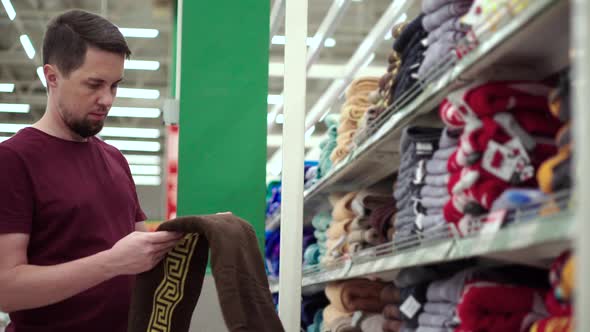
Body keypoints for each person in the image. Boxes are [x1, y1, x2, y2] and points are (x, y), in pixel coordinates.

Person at [0, 9, 182, 332]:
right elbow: (6, 288)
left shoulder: (115, 161)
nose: (107, 99)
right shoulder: (14, 160)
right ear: (51, 77)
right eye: (94, 84)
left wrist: (197, 235)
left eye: (115, 86)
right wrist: (111, 263)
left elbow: (141, 255)